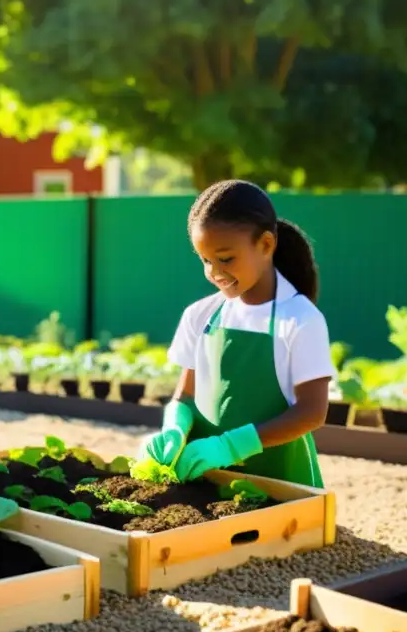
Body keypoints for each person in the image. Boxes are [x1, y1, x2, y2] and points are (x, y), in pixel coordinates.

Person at [139, 180, 333, 488]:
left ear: (266, 245)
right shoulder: (199, 314)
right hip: (206, 476)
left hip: (278, 483)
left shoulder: (300, 318)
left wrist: (231, 446)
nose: (215, 272)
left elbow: (312, 412)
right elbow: (186, 395)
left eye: (226, 258)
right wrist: (174, 428)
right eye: (205, 260)